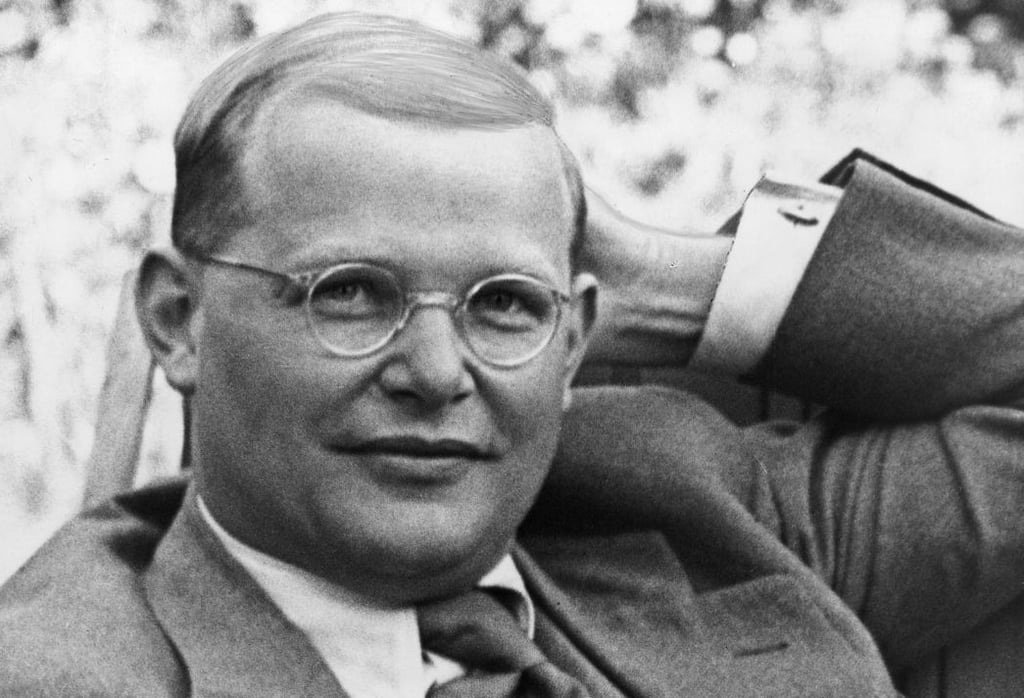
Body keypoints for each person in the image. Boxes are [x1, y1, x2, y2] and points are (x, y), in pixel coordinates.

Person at [1, 11, 1023, 698]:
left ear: (575, 336)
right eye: (348, 292)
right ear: (178, 319)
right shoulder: (70, 672)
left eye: (503, 304)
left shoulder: (680, 509)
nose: (437, 371)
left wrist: (681, 289)